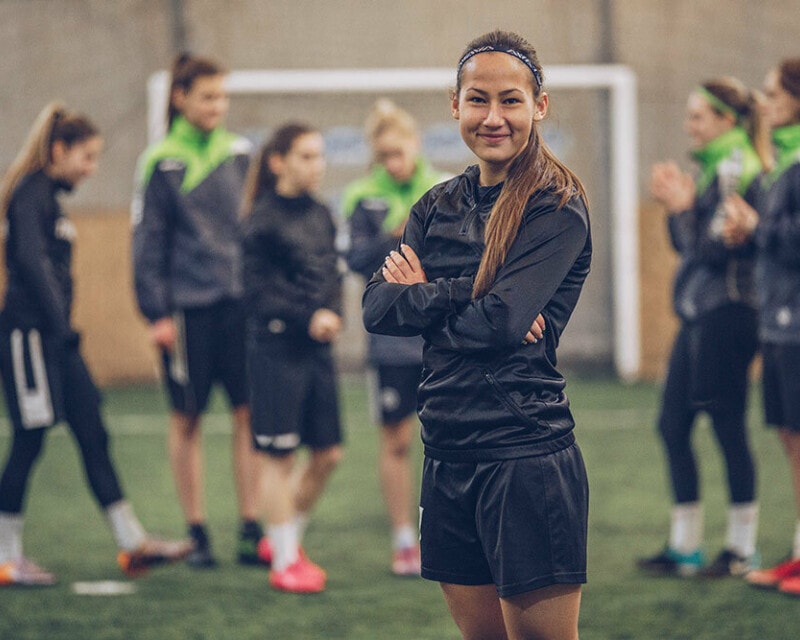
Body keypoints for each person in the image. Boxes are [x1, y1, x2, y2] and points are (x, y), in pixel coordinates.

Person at [362, 30, 591, 640]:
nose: (494, 117)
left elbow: (503, 326)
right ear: (455, 104)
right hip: (447, 452)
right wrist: (471, 289)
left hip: (523, 455)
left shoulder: (556, 206)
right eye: (478, 100)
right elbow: (379, 307)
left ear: (538, 106)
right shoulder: (436, 205)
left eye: (511, 101)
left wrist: (429, 293)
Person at [0, 103, 192, 586]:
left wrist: (63, 333)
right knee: (29, 439)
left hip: (58, 339)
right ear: (59, 150)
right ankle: (5, 555)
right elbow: (30, 262)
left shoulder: (49, 198)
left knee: (92, 431)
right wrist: (56, 326)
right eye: (86, 158)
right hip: (30, 336)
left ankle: (133, 544)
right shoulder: (31, 193)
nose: (91, 169)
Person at [131, 53, 263, 568]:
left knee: (248, 415)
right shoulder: (160, 160)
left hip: (241, 307)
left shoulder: (239, 152)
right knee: (186, 418)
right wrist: (155, 313)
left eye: (223, 96)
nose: (218, 105)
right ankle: (197, 531)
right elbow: (147, 241)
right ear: (181, 98)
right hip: (187, 311)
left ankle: (251, 527)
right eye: (208, 96)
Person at [636, 78, 769, 578]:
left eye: (698, 116)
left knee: (727, 425)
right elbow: (687, 245)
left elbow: (715, 250)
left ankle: (740, 549)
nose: (689, 125)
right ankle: (685, 546)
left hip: (729, 313)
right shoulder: (715, 169)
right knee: (673, 426)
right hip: (699, 315)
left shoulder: (738, 170)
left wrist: (684, 208)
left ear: (727, 121)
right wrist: (682, 210)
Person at [341, 98, 448, 576]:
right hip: (389, 343)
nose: (394, 161)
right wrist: (394, 235)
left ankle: (449, 532)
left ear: (416, 144)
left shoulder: (445, 188)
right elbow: (355, 260)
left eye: (400, 150)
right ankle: (405, 539)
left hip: (443, 338)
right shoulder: (362, 197)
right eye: (384, 154)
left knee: (451, 439)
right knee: (397, 441)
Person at [240, 123, 344, 594]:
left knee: (328, 455)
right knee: (278, 457)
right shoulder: (260, 219)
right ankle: (283, 559)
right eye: (305, 156)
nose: (316, 165)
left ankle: (284, 539)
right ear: (279, 162)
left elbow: (331, 275)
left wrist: (334, 314)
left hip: (318, 350)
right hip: (277, 350)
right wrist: (309, 317)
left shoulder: (323, 213)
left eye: (319, 156)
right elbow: (259, 293)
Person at [723, 58, 800, 596]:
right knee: (791, 440)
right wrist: (749, 233)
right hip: (778, 321)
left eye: (775, 92)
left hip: (796, 323)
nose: (765, 100)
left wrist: (759, 226)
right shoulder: (782, 162)